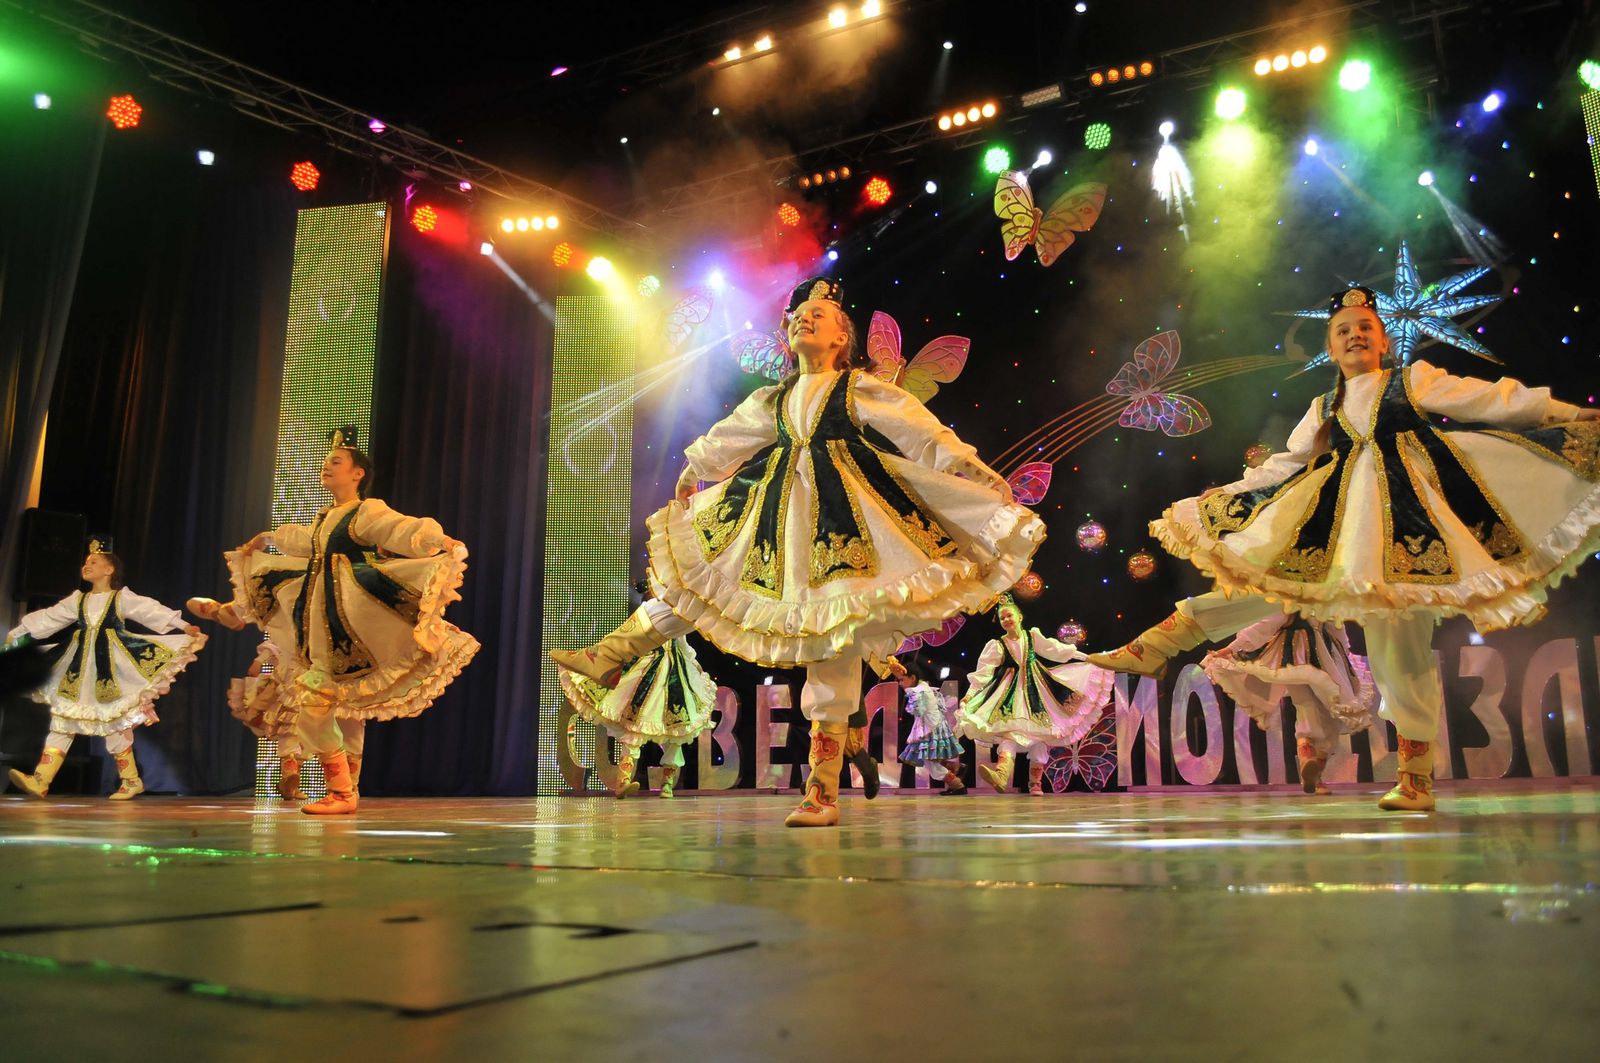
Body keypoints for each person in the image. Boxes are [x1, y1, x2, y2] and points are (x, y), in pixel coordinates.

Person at [553, 277, 1044, 827]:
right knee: (702, 584)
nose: (803, 320)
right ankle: (610, 654)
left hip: (844, 523)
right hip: (774, 517)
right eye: (796, 316)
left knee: (835, 632)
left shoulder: (856, 388)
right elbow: (732, 435)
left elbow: (919, 431)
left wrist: (969, 468)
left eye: (818, 315)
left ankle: (821, 790)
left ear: (841, 337)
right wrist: (696, 470)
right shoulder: (775, 397)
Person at [1090, 286, 1600, 811]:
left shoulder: (1410, 381)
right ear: (1331, 348)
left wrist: (1565, 414)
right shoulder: (1323, 407)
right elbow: (1285, 464)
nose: (1355, 335)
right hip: (1335, 522)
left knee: (1398, 637)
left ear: (1384, 342)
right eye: (1343, 330)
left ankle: (1416, 777)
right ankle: (1157, 645)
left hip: (1408, 524)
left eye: (1365, 328)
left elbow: (1489, 399)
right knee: (1265, 586)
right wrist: (1228, 495)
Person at [190, 428, 479, 814]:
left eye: (336, 462)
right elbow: (303, 540)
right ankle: (343, 791)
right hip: (319, 618)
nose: (326, 466)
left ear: (357, 474)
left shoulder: (366, 511)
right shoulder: (325, 516)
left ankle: (343, 793)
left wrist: (436, 540)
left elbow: (398, 528)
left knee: (322, 709)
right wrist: (268, 538)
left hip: (352, 616)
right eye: (326, 461)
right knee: (316, 708)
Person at [5, 540, 205, 800]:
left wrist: (183, 626)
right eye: (85, 562)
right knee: (64, 717)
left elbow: (148, 610)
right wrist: (19, 631)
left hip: (109, 669)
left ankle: (131, 780)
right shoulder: (78, 600)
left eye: (94, 562)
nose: (86, 565)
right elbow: (50, 618)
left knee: (113, 720)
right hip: (78, 668)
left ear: (109, 570)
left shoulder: (120, 598)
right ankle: (41, 779)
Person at [957, 594, 1115, 796]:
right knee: (1010, 734)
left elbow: (1057, 651)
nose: (1006, 620)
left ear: (1019, 616)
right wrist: (970, 695)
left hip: (1037, 693)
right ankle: (1002, 774)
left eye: (1009, 615)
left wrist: (1087, 658)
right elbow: (983, 673)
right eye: (1002, 618)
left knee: (1039, 736)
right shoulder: (997, 645)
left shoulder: (1032, 637)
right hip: (1010, 696)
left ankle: (1035, 783)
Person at [1201, 614, 1376, 795]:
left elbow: (1335, 622)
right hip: (1296, 654)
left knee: (1329, 714)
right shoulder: (1290, 599)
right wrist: (1233, 648)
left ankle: (1313, 770)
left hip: (1322, 653)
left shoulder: (1324, 601)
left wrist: (1344, 648)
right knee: (1309, 705)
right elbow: (1269, 621)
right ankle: (1310, 763)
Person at [560, 633, 717, 799]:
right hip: (647, 668)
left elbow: (682, 642)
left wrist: (693, 662)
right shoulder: (651, 618)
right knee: (635, 723)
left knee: (677, 726)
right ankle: (623, 781)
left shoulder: (678, 621)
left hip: (674, 673)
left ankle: (667, 783)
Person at [892, 656, 966, 795]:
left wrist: (910, 694)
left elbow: (916, 710)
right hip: (933, 726)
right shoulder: (924, 687)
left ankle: (957, 785)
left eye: (902, 680)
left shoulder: (918, 691)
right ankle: (956, 768)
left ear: (912, 678)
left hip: (930, 729)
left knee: (929, 761)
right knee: (931, 757)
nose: (900, 683)